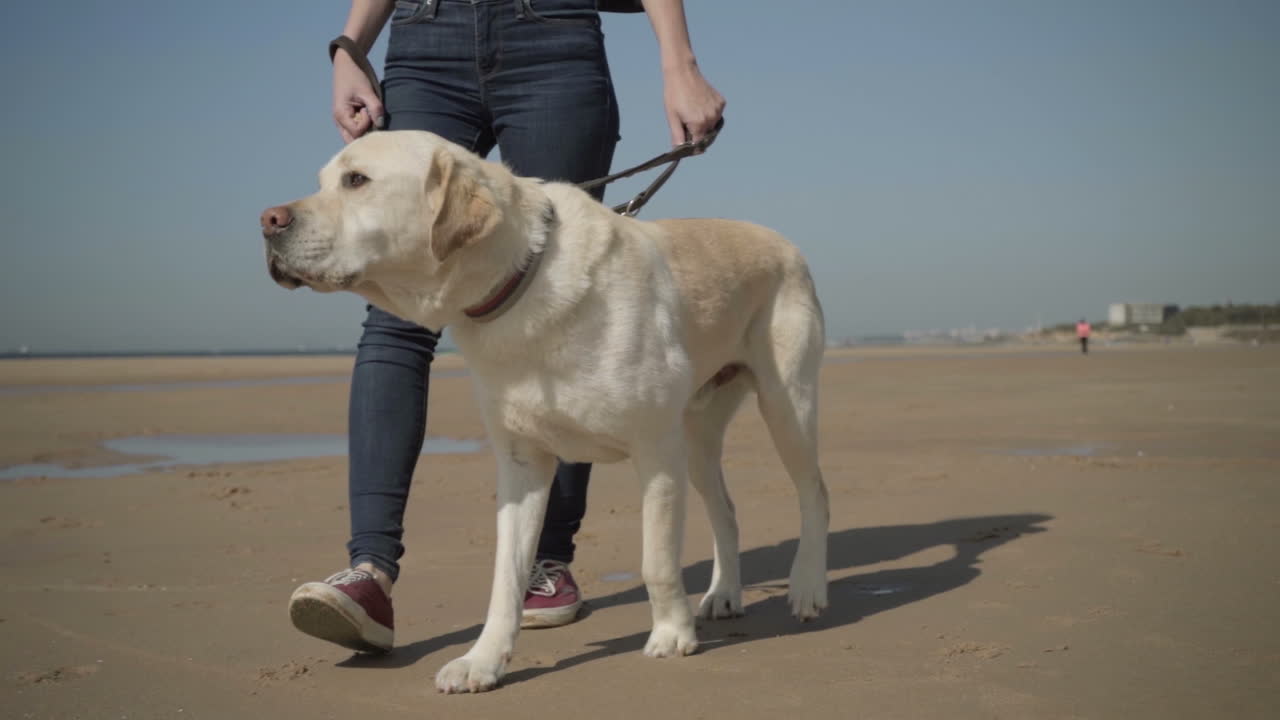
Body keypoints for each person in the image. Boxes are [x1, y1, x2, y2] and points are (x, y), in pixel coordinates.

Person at [287, 0, 726, 654]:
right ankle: (369, 572)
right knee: (396, 311)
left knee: (572, 299)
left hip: (554, 36)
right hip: (423, 36)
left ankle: (547, 562)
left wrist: (679, 61)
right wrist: (350, 46)